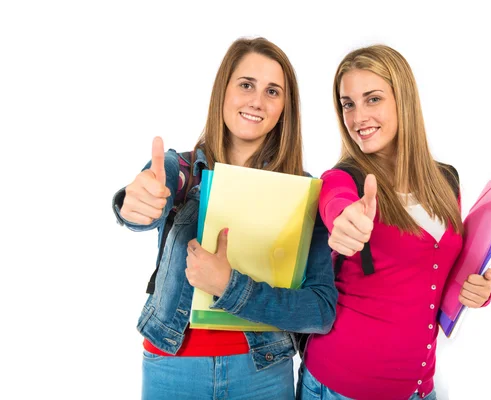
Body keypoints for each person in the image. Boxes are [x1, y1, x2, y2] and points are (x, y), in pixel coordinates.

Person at [111, 37, 337, 400]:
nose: (256, 101)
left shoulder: (303, 194)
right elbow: (145, 199)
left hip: (261, 372)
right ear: (224, 91)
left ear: (285, 108)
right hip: (173, 368)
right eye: (246, 84)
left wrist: (230, 287)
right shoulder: (180, 169)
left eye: (273, 91)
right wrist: (132, 204)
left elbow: (320, 310)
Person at [297, 45, 491, 400]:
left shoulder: (446, 181)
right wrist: (343, 220)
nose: (358, 117)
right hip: (344, 387)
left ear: (403, 99)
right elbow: (335, 202)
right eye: (348, 104)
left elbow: (438, 275)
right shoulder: (344, 179)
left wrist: (478, 289)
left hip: (421, 389)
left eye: (372, 99)